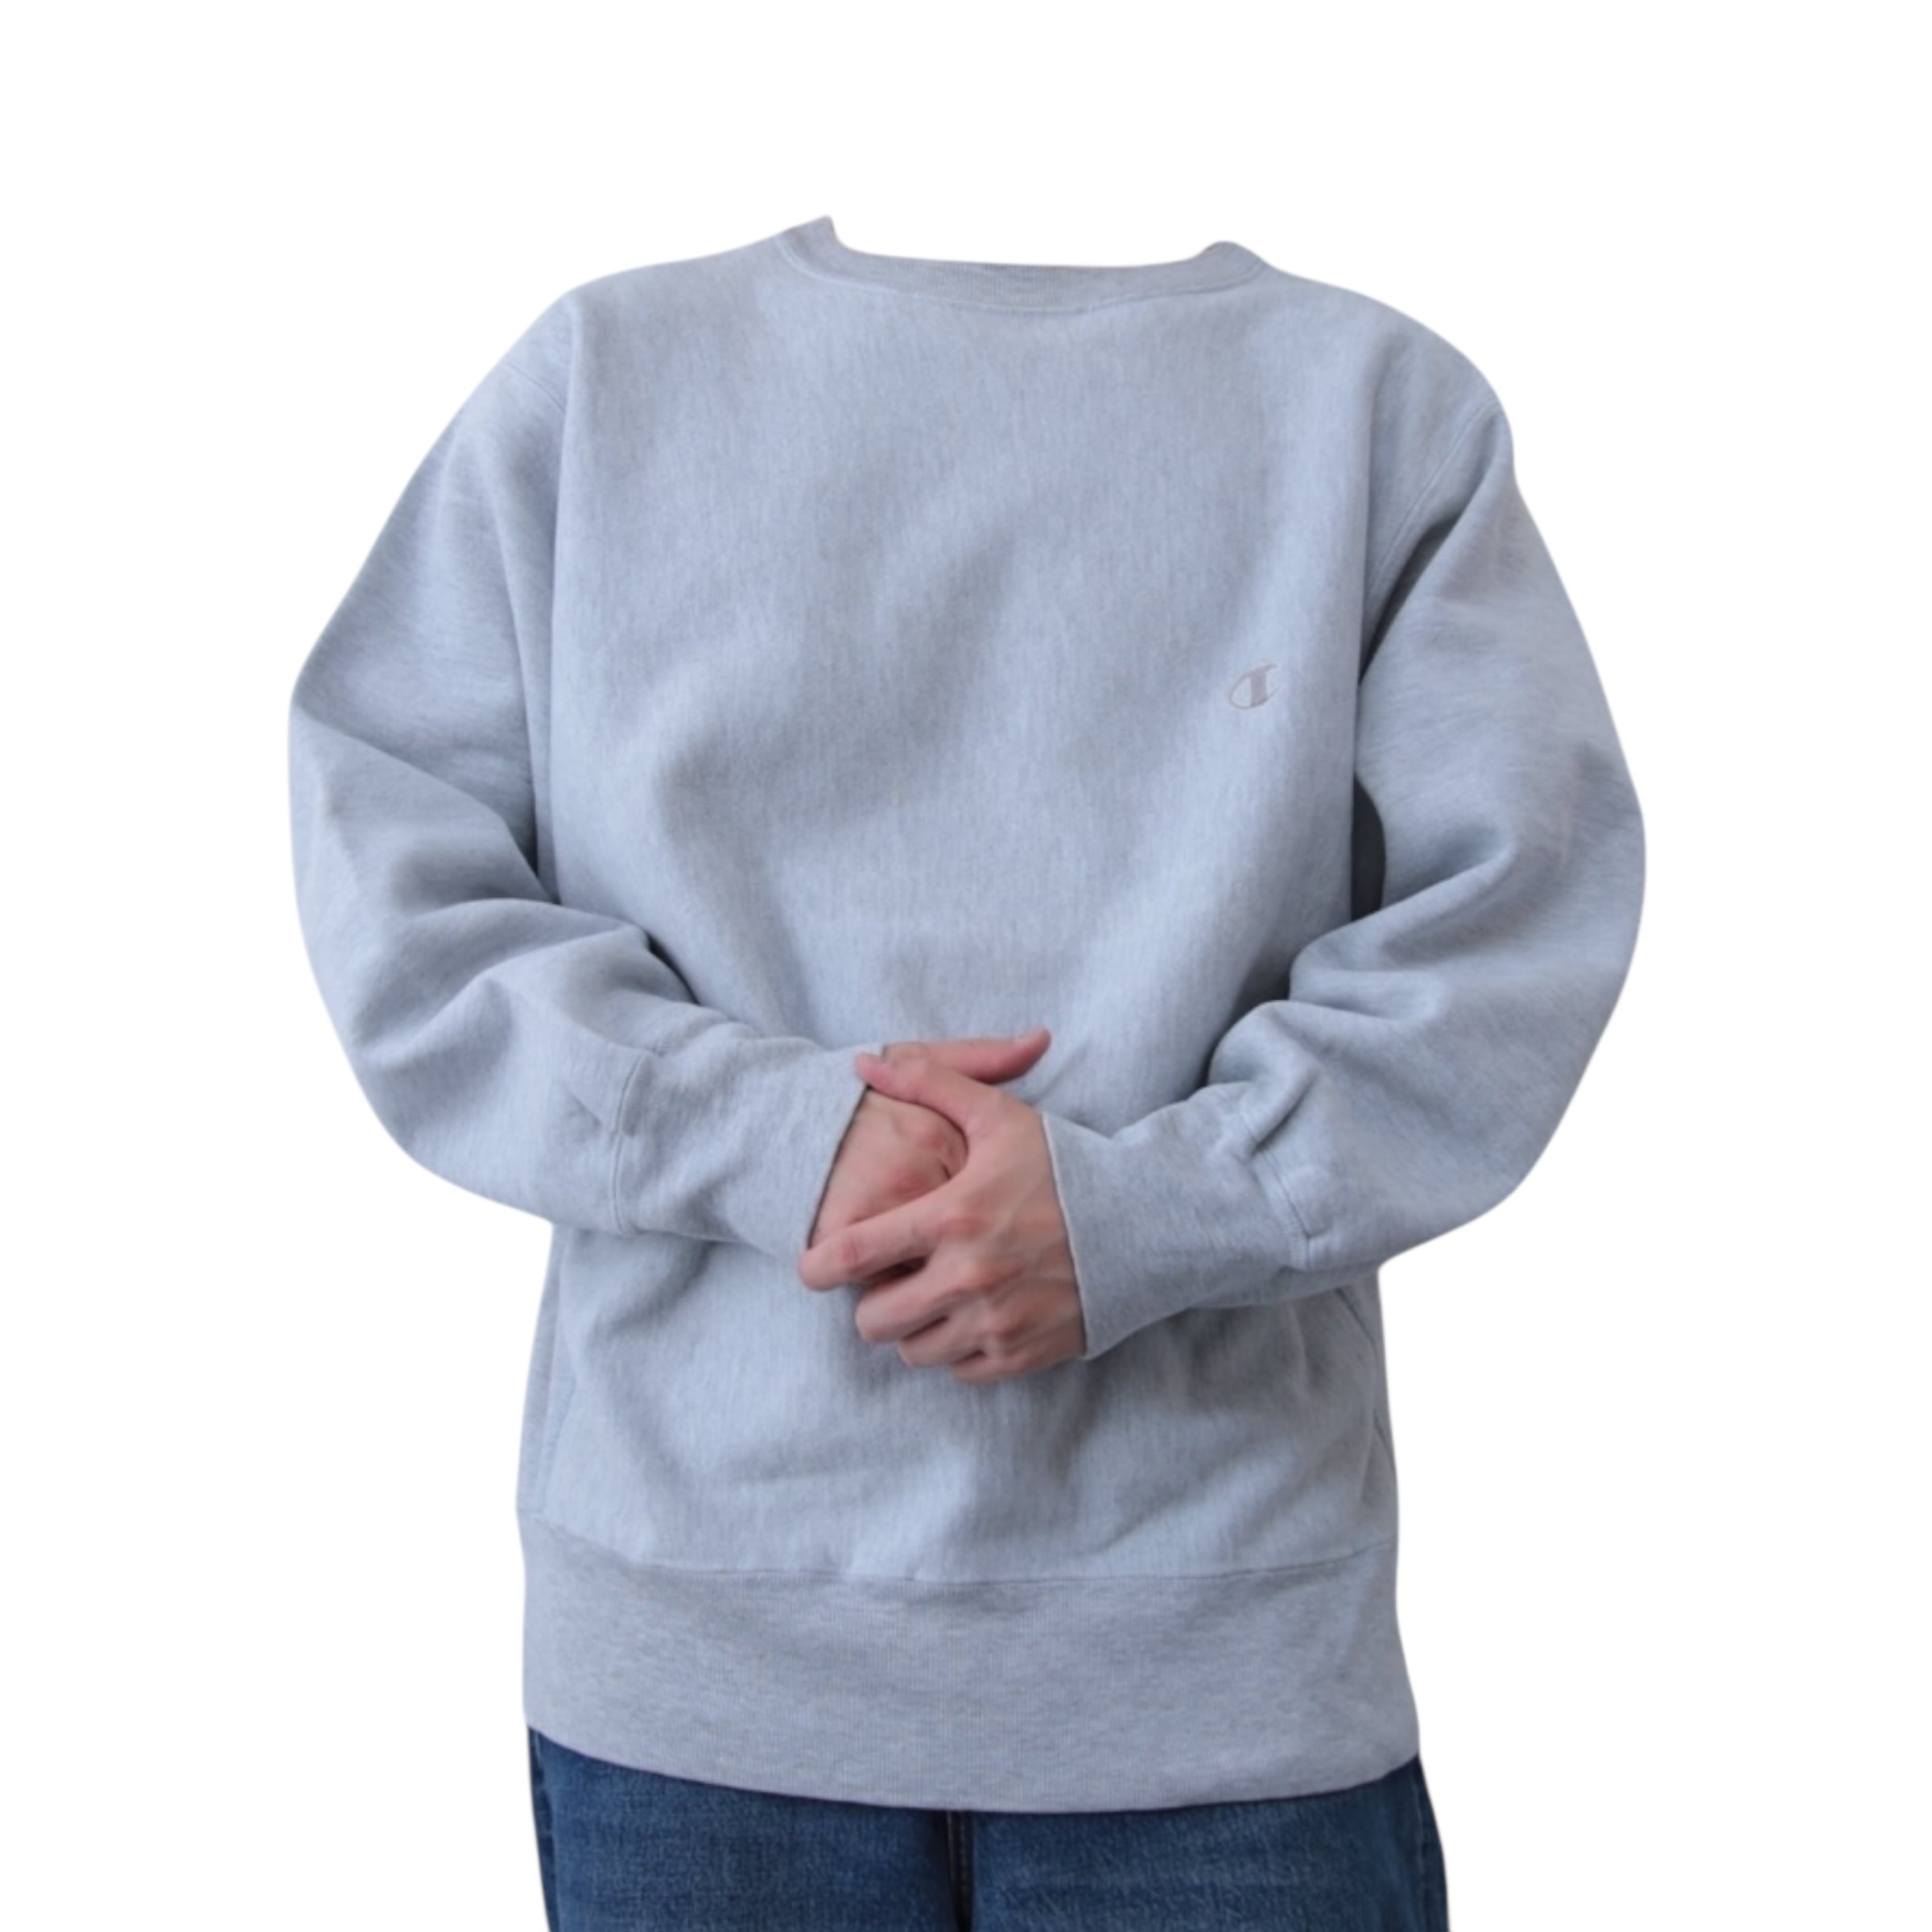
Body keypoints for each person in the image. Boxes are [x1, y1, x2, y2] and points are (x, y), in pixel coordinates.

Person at [287, 213, 1644, 1929]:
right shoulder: (601, 378)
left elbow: (1513, 922)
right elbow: (397, 875)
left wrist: (1144, 1214)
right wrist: (783, 1140)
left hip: (1197, 1655)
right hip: (727, 1666)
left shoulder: (1374, 402)